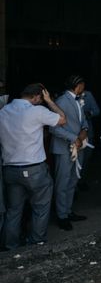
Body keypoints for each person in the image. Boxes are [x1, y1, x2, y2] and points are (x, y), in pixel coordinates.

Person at [0, 84, 66, 248]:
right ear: (37, 96)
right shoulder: (37, 111)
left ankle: (10, 247)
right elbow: (62, 119)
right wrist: (50, 101)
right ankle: (37, 243)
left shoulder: (3, 112)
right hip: (34, 168)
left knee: (13, 211)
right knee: (41, 207)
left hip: (10, 169)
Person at [50, 75, 89, 231]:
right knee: (62, 182)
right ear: (78, 85)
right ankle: (61, 216)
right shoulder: (61, 102)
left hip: (78, 146)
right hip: (63, 148)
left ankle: (68, 210)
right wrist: (73, 137)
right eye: (83, 83)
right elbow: (54, 128)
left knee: (73, 180)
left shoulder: (79, 99)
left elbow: (82, 119)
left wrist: (84, 130)